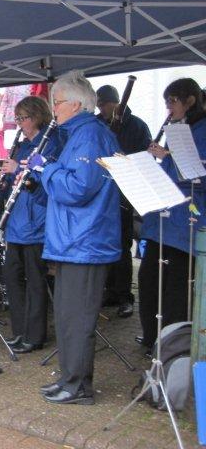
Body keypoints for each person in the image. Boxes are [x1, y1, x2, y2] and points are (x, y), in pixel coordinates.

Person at [36, 71, 121, 405]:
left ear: (75, 103)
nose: (53, 109)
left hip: (86, 241)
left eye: (56, 102)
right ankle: (69, 378)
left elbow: (77, 188)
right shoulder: (78, 134)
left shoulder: (90, 136)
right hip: (75, 240)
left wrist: (47, 169)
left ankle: (79, 387)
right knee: (67, 317)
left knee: (78, 319)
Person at [138, 78, 206, 351]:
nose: (168, 107)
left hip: (186, 220)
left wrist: (166, 156)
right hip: (161, 219)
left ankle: (172, 346)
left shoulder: (201, 129)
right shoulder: (178, 127)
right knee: (149, 279)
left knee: (176, 288)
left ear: (189, 100)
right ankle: (151, 338)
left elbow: (198, 174)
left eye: (172, 101)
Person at [0, 96, 60, 354]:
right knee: (11, 276)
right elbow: (15, 181)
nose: (20, 123)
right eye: (18, 118)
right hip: (17, 223)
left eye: (23, 118)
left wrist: (19, 174)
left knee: (35, 280)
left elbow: (45, 184)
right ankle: (20, 330)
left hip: (36, 223)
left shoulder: (49, 144)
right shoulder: (23, 146)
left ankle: (35, 336)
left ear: (36, 116)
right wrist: (2, 184)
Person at [96, 85, 151, 318]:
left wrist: (123, 160)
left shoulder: (137, 125)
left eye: (104, 104)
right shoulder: (98, 123)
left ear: (115, 103)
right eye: (99, 105)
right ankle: (108, 290)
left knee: (121, 245)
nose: (101, 109)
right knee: (103, 243)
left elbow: (144, 158)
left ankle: (124, 295)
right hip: (101, 193)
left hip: (122, 193)